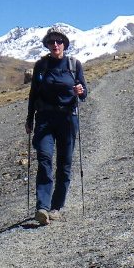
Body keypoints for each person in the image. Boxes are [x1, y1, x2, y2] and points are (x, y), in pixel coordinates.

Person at [25, 28, 87, 225]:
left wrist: (80, 90)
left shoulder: (74, 65)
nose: (55, 45)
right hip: (44, 119)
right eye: (51, 42)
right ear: (47, 45)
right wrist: (29, 119)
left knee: (64, 164)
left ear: (64, 45)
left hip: (68, 119)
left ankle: (56, 207)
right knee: (44, 159)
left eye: (59, 42)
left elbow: (84, 94)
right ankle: (42, 207)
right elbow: (33, 94)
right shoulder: (41, 66)